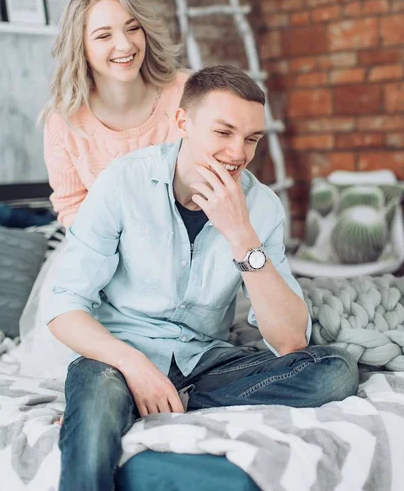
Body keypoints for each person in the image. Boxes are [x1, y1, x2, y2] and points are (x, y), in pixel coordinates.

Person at [46, 65, 359, 491]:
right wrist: (134, 366)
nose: (238, 153)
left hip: (203, 361)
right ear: (182, 122)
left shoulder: (262, 207)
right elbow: (63, 305)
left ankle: (161, 402)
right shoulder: (122, 181)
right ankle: (124, 398)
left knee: (335, 369)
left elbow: (290, 342)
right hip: (118, 358)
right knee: (98, 393)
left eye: (251, 139)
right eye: (224, 132)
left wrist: (241, 235)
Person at [18, 0, 189, 378]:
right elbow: (70, 204)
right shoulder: (63, 121)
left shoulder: (187, 92)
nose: (125, 45)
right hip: (102, 257)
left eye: (132, 28)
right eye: (104, 35)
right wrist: (118, 253)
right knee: (93, 360)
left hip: (182, 252)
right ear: (81, 47)